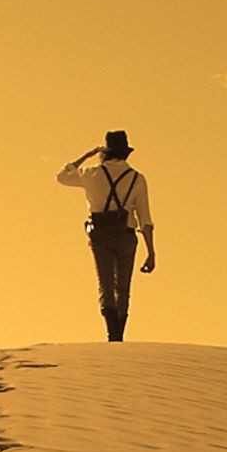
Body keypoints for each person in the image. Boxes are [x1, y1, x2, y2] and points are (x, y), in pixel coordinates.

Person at [57, 130, 155, 342]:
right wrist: (151, 252)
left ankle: (113, 334)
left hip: (100, 234)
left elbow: (62, 177)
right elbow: (145, 218)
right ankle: (119, 334)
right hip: (126, 235)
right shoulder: (137, 178)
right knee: (123, 288)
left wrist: (87, 155)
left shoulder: (91, 173)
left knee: (106, 286)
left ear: (105, 151)